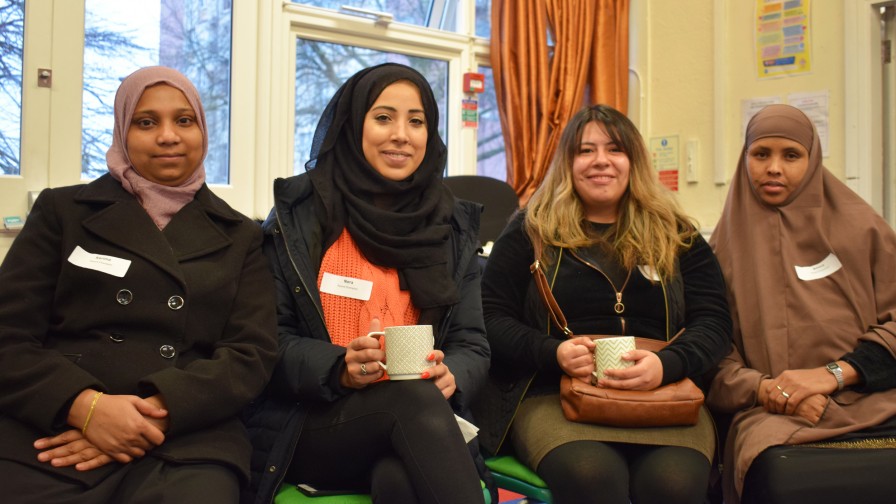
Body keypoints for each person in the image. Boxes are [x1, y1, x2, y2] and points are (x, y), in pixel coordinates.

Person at [0, 66, 278, 503]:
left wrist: (150, 415)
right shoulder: (63, 211)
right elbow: (8, 337)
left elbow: (251, 354)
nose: (168, 136)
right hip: (53, 429)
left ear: (203, 130)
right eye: (146, 122)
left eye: (184, 121)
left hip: (186, 437)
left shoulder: (241, 234)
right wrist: (86, 408)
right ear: (122, 130)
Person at [243, 63, 491, 504]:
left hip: (420, 422)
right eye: (383, 118)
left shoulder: (451, 226)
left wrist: (452, 375)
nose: (401, 134)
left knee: (398, 482)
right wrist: (338, 366)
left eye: (416, 121)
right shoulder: (299, 217)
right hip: (313, 420)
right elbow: (266, 344)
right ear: (352, 126)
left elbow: (472, 342)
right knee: (412, 402)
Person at [475, 104, 732, 504]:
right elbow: (489, 318)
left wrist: (667, 364)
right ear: (567, 162)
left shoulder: (676, 234)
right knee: (592, 477)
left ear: (633, 161)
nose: (601, 162)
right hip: (554, 395)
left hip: (666, 399)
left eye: (614, 149)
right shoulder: (531, 230)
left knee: (674, 486)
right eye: (585, 150)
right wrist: (553, 352)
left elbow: (715, 323)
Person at [707, 104, 896, 504]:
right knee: (777, 475)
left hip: (876, 399)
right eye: (761, 155)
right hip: (775, 413)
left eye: (790, 155)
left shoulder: (864, 229)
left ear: (812, 162)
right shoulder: (718, 252)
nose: (774, 167)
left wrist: (836, 374)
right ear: (746, 160)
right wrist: (769, 390)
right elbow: (711, 351)